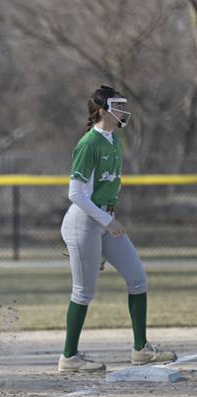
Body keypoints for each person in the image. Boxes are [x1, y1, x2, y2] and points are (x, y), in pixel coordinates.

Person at [58, 85, 176, 372]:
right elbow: (76, 194)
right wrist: (106, 222)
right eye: (117, 106)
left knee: (138, 279)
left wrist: (108, 223)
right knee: (84, 292)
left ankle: (141, 350)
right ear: (102, 111)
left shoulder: (113, 141)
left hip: (104, 222)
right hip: (86, 222)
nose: (123, 111)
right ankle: (69, 357)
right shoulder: (89, 143)